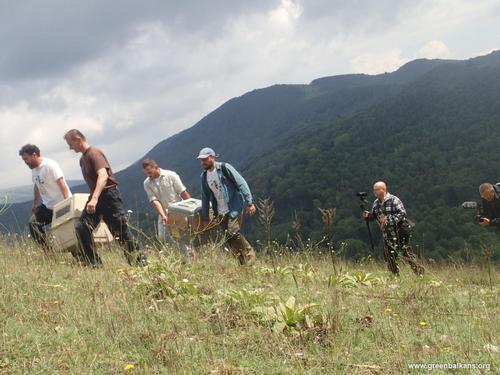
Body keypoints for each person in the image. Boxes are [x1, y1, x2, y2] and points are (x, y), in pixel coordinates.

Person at [63, 129, 146, 267]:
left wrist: (94, 198)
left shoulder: (94, 154)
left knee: (119, 230)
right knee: (82, 227)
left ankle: (139, 261)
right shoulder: (83, 159)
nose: (70, 148)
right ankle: (94, 263)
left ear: (78, 139)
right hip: (97, 196)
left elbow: (103, 175)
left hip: (108, 195)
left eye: (70, 143)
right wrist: (94, 198)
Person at [198, 147, 256, 265]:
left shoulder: (224, 168)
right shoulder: (204, 177)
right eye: (201, 160)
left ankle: (249, 253)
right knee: (229, 238)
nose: (203, 162)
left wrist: (249, 202)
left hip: (234, 207)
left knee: (233, 232)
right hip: (219, 211)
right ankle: (242, 263)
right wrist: (205, 217)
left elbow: (241, 183)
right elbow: (205, 197)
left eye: (205, 159)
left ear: (213, 157)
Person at [363, 181, 424, 276]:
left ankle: (420, 274)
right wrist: (369, 216)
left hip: (400, 231)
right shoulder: (376, 203)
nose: (374, 191)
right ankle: (395, 276)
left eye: (376, 189)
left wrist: (388, 220)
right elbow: (375, 216)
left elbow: (402, 213)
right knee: (389, 256)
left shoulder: (394, 200)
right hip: (387, 234)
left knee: (406, 254)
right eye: (374, 189)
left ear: (383, 189)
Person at [19, 144, 72, 249]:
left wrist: (67, 203)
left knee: (65, 231)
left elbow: (62, 184)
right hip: (48, 206)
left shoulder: (50, 165)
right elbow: (37, 185)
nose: (25, 162)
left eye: (26, 159)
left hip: (60, 205)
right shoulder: (34, 169)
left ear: (34, 155)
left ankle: (78, 254)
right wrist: (35, 204)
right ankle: (48, 252)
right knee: (33, 224)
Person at [142, 159, 193, 259]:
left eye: (150, 172)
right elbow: (155, 201)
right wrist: (163, 215)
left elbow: (183, 192)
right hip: (164, 212)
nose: (149, 175)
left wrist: (191, 209)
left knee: (180, 236)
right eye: (146, 173)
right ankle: (186, 253)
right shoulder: (147, 183)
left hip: (178, 210)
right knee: (163, 236)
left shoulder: (171, 175)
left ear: (156, 167)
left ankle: (187, 257)